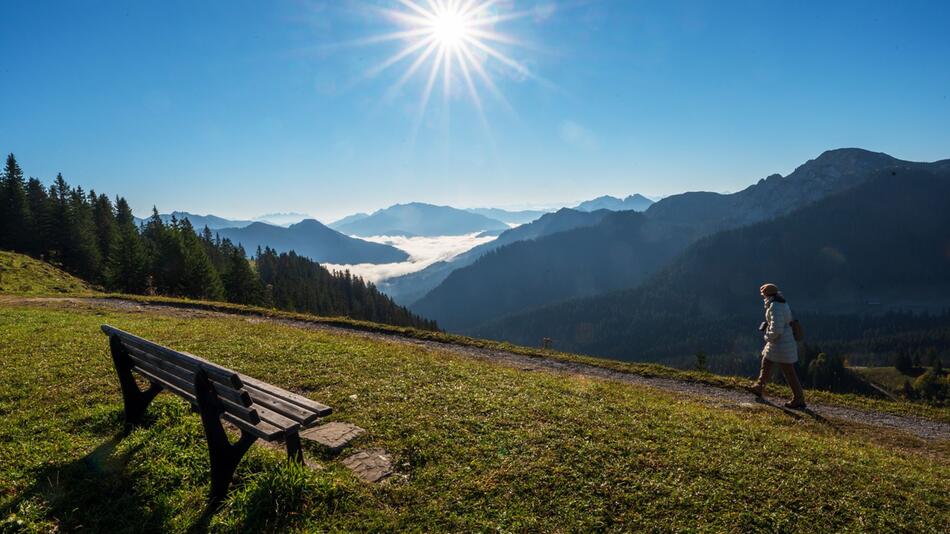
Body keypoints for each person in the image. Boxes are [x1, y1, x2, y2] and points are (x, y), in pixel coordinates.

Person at [749, 283, 806, 409]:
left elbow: (777, 329)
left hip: (781, 343)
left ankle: (798, 398)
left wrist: (767, 336)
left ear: (767, 295)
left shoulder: (774, 306)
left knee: (788, 370)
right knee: (767, 361)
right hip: (781, 342)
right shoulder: (781, 303)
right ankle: (759, 386)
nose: (763, 296)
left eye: (763, 294)